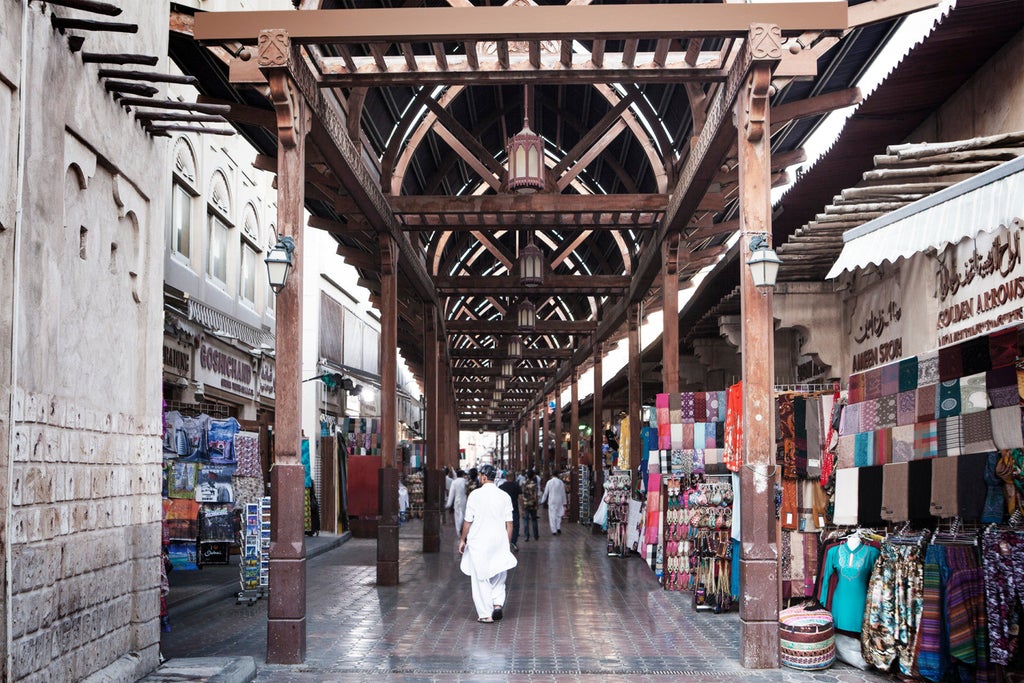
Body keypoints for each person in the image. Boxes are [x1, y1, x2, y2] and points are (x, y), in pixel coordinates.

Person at [459, 464, 517, 623]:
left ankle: (486, 614)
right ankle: (497, 604)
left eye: (479, 476)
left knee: (481, 578)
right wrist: (507, 543)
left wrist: (463, 539)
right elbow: (509, 523)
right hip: (499, 540)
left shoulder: (475, 495)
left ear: (484, 477)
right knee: (499, 574)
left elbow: (467, 522)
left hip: (479, 541)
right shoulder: (504, 496)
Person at [497, 471, 522, 552]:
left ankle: (505, 542)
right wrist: (523, 508)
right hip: (514, 509)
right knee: (515, 527)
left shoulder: (501, 487)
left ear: (506, 477)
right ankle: (513, 542)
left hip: (503, 510)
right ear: (513, 477)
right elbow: (520, 498)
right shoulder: (516, 486)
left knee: (503, 527)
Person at [539, 470, 567, 535]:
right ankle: (558, 527)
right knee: (559, 514)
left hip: (551, 500)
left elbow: (546, 493)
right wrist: (564, 502)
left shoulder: (549, 482)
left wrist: (542, 501)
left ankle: (554, 530)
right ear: (557, 475)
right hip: (559, 500)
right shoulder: (561, 482)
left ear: (552, 475)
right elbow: (563, 493)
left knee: (552, 515)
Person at [521, 469, 540, 542]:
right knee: (534, 520)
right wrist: (537, 504)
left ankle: (526, 536)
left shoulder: (523, 483)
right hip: (532, 503)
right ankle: (536, 536)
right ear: (533, 476)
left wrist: (522, 506)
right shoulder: (534, 484)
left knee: (526, 520)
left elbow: (522, 494)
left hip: (525, 504)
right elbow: (536, 496)